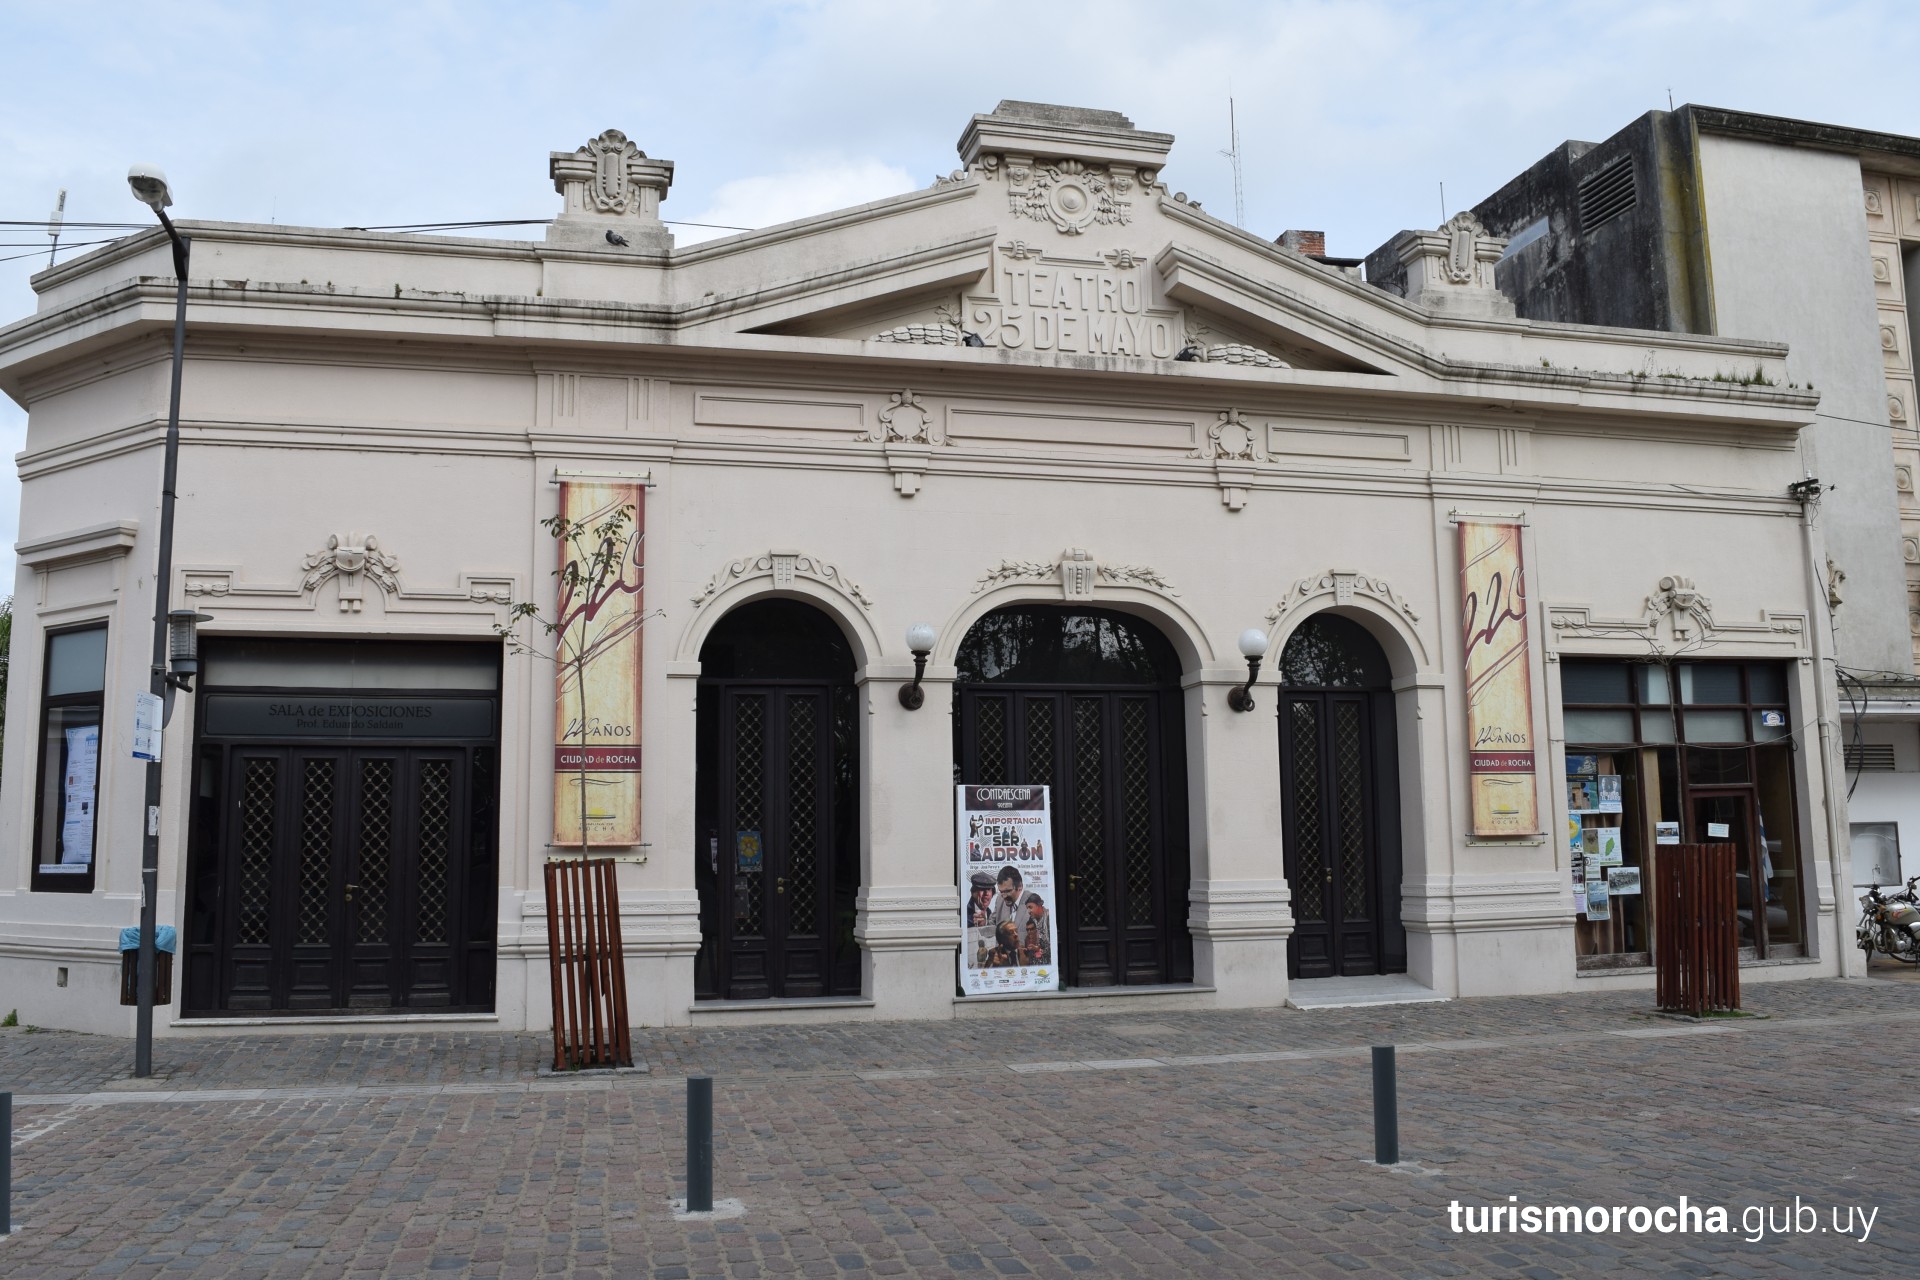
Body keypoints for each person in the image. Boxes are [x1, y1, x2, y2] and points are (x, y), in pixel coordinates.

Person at [991, 865, 1036, 930]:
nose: (1004, 896)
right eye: (1001, 891)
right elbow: (991, 923)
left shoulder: (1033, 902)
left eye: (1008, 891)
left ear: (1020, 886)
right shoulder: (999, 899)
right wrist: (983, 922)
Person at [1021, 895, 1051, 965]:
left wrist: (1039, 949)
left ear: (1039, 905)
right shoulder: (1032, 919)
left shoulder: (1049, 917)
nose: (1028, 911)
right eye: (1027, 908)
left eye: (1030, 907)